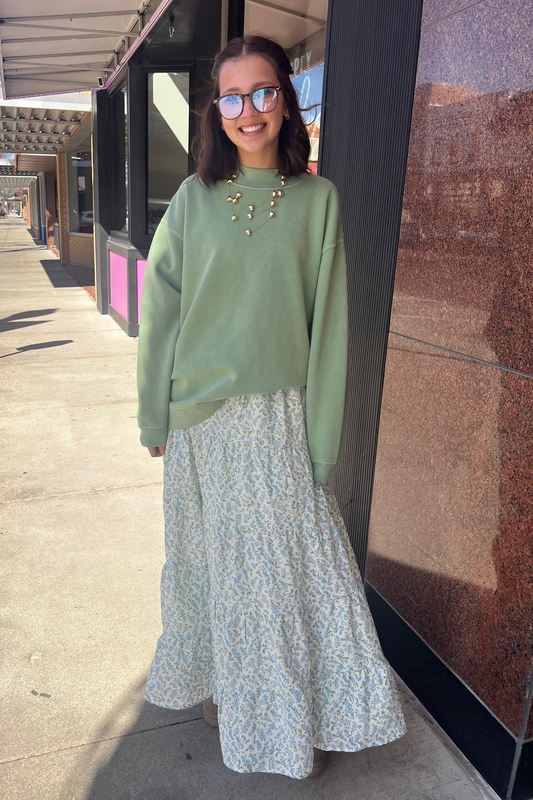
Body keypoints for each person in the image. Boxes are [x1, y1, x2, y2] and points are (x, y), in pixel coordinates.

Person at [136, 33, 406, 780]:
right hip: (201, 422)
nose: (247, 110)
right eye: (232, 96)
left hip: (281, 422)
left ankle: (297, 718)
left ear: (286, 101)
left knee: (294, 574)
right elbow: (161, 311)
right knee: (217, 567)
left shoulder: (318, 201)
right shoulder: (193, 200)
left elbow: (329, 333)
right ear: (215, 110)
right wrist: (152, 415)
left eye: (263, 92)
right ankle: (230, 688)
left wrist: (322, 444)